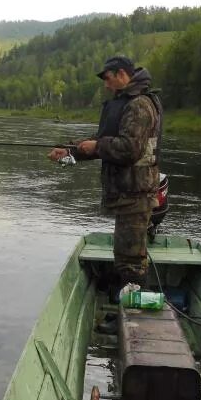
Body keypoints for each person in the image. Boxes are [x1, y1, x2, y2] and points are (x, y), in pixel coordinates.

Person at [48, 56, 163, 292]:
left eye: (108, 79)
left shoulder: (139, 105)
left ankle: (134, 318)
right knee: (124, 255)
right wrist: (69, 150)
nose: (106, 85)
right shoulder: (126, 103)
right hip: (128, 194)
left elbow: (128, 149)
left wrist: (97, 147)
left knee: (131, 261)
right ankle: (126, 305)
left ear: (122, 74)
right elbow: (102, 139)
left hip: (136, 195)